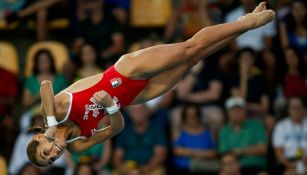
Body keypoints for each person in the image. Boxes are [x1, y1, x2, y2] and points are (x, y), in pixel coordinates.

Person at [26, 2, 275, 167]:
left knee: (190, 48)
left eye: (45, 151)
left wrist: (50, 125)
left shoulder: (55, 112)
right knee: (195, 60)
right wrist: (111, 107)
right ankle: (240, 28)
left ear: (40, 137)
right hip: (136, 96)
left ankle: (247, 23)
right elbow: (116, 129)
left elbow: (46, 85)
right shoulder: (77, 145)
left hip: (126, 71)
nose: (53, 154)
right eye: (50, 160)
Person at [272, 97, 307, 175]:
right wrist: (290, 165)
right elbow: (278, 152)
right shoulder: (281, 126)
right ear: (288, 110)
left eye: (298, 107)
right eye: (293, 108)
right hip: (288, 162)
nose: (296, 110)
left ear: (303, 109)